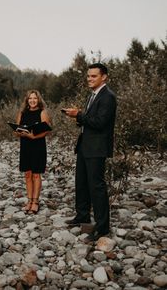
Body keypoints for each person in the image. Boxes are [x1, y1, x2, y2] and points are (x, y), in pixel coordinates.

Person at [62, 63, 117, 243]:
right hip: (85, 145)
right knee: (82, 182)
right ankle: (82, 215)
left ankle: (102, 228)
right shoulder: (92, 95)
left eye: (93, 76)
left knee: (97, 187)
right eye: (88, 76)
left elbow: (101, 122)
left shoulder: (108, 97)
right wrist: (78, 117)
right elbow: (90, 120)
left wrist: (78, 115)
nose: (89, 79)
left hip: (97, 147)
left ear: (104, 77)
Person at [14, 90, 51, 214]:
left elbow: (47, 130)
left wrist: (34, 136)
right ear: (27, 100)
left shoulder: (42, 112)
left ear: (38, 99)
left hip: (38, 145)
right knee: (27, 174)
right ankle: (29, 200)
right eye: (30, 98)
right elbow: (16, 130)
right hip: (25, 146)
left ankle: (35, 202)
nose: (32, 100)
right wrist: (20, 132)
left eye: (35, 98)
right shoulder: (22, 113)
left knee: (36, 174)